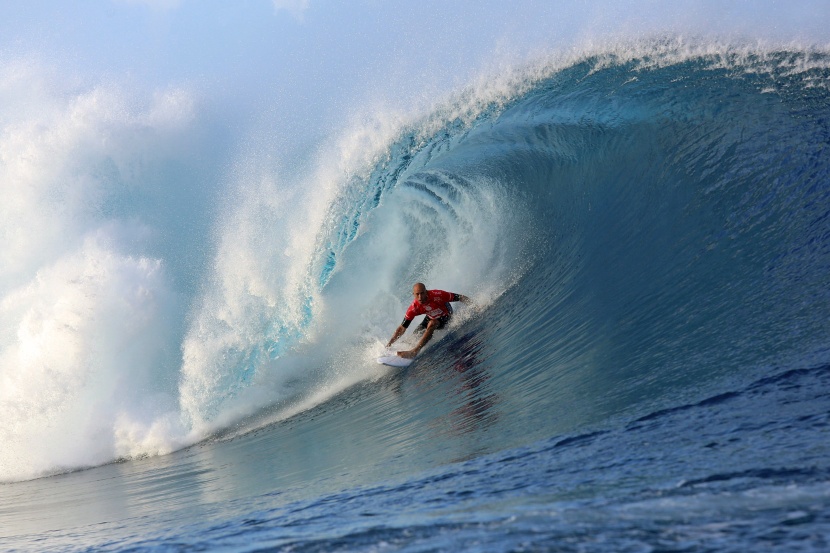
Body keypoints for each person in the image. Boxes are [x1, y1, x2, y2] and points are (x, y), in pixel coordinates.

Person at [387, 282, 472, 359]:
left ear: (426, 292)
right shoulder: (414, 308)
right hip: (431, 316)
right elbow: (402, 328)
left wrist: (474, 306)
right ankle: (400, 348)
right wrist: (389, 344)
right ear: (414, 295)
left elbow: (460, 297)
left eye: (422, 293)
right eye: (417, 294)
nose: (420, 297)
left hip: (446, 315)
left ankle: (414, 351)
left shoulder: (438, 295)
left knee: (432, 323)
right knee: (414, 336)